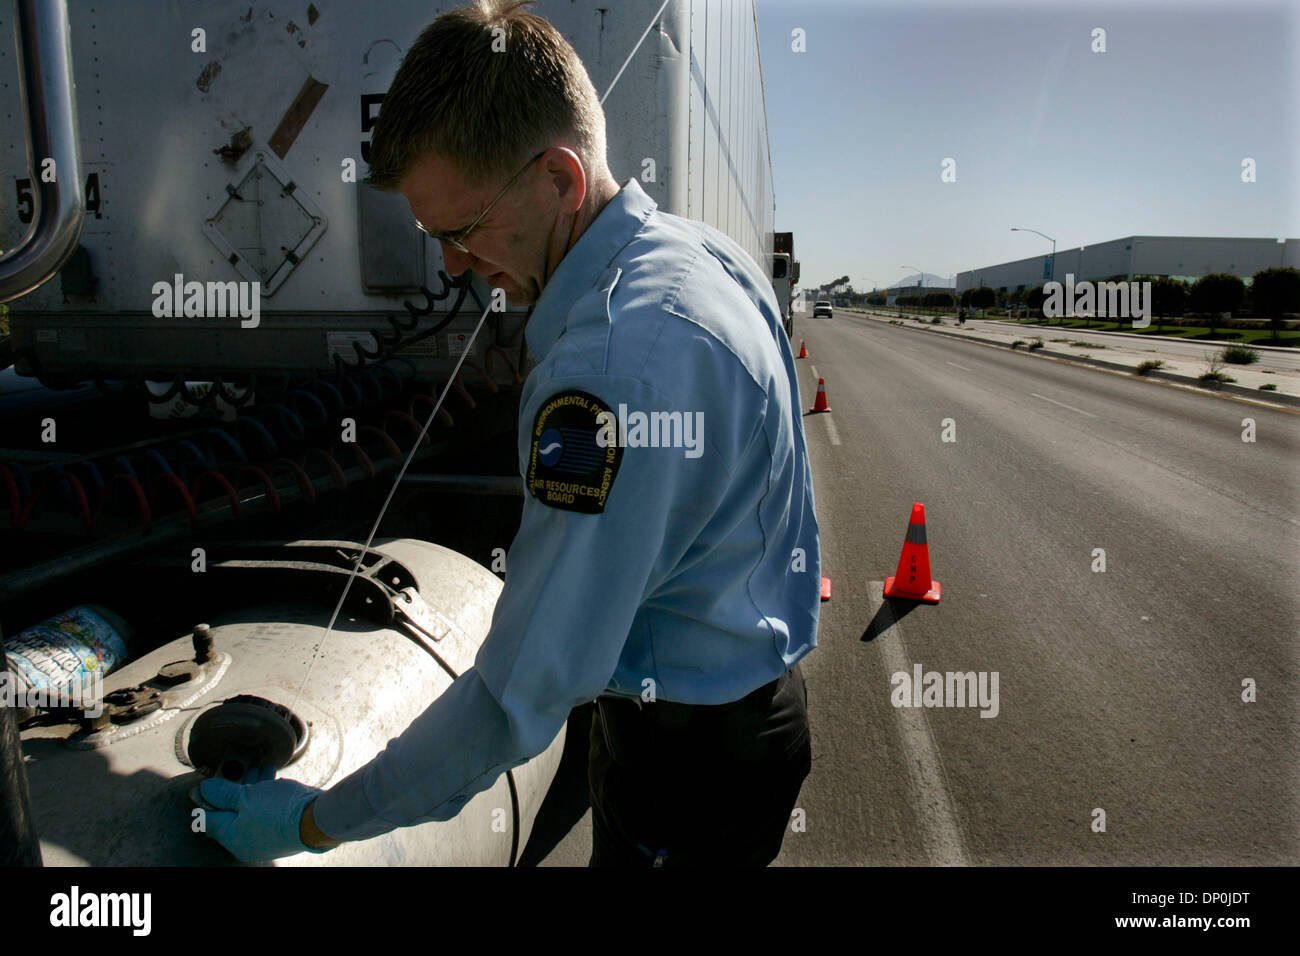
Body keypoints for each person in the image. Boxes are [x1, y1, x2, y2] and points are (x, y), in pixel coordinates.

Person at [198, 0, 820, 868]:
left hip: (685, 768)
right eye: (431, 234)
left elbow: (515, 699)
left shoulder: (604, 375)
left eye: (461, 229)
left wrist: (314, 823)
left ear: (560, 178)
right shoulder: (708, 260)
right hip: (753, 717)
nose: (450, 264)